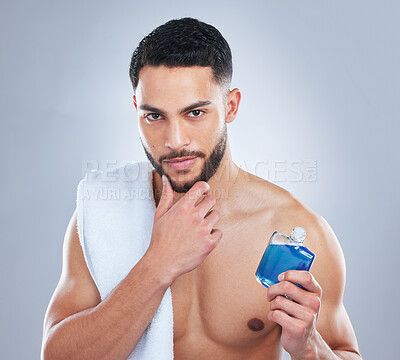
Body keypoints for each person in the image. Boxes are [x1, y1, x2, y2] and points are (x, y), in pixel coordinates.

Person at [41, 17, 363, 360]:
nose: (175, 141)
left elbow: (345, 353)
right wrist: (157, 265)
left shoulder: (295, 231)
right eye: (155, 116)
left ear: (231, 106)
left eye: (194, 112)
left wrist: (310, 346)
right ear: (136, 110)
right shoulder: (101, 216)